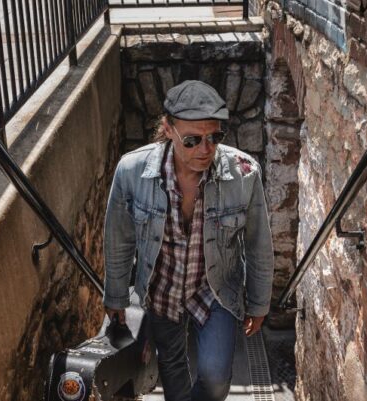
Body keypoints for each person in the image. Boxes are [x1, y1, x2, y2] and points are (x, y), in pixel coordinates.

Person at [102, 80, 274, 401]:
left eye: (215, 137)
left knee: (216, 377)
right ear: (168, 129)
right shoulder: (132, 171)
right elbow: (118, 238)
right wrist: (116, 295)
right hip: (162, 289)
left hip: (215, 291)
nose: (205, 150)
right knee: (172, 369)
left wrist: (259, 302)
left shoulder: (244, 174)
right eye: (192, 140)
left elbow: (258, 244)